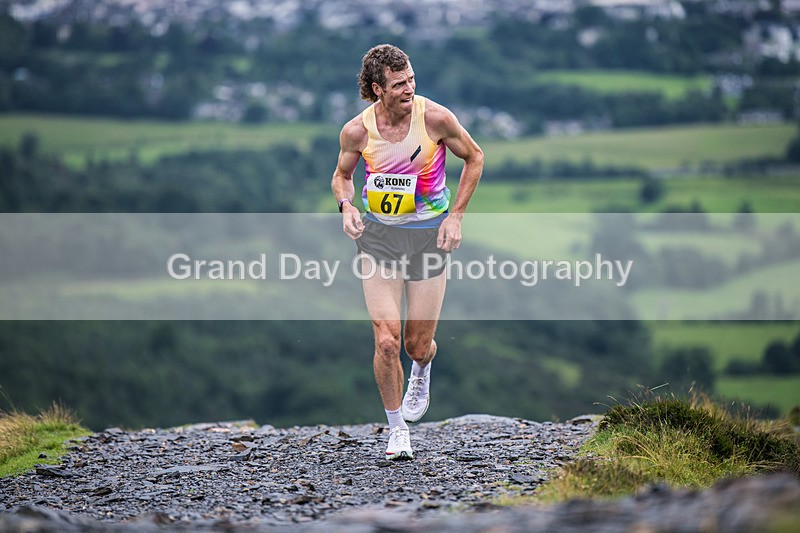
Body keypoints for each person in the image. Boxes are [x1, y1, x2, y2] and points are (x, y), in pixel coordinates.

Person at [331, 44, 483, 460]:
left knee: (416, 344)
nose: (409, 89)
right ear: (377, 88)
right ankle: (397, 429)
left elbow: (474, 157)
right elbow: (342, 176)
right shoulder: (357, 131)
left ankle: (423, 365)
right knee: (386, 340)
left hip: (428, 236)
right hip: (379, 237)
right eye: (399, 84)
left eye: (412, 79)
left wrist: (455, 217)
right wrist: (346, 207)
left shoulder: (435, 118)